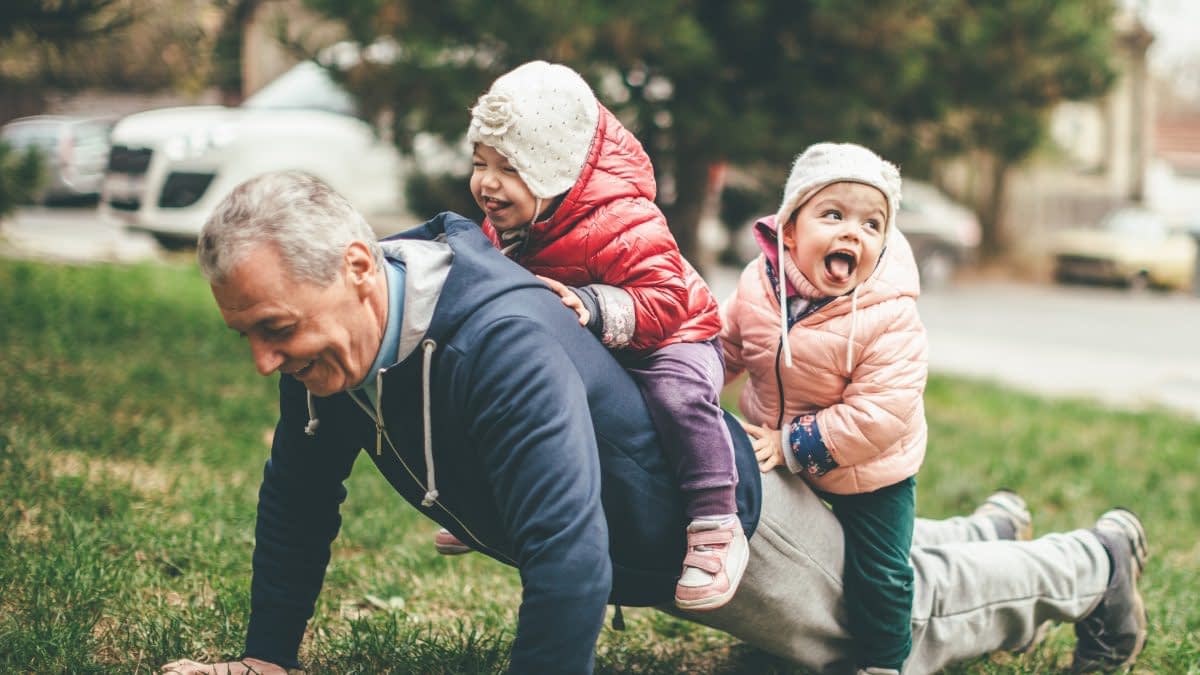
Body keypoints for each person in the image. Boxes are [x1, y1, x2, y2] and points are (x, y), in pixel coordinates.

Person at [162, 171, 1148, 675]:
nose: (265, 360)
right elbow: (297, 493)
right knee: (896, 568)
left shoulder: (495, 339)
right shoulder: (336, 341)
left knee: (914, 617)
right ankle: (977, 528)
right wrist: (265, 656)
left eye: (276, 330)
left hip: (728, 530)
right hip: (675, 525)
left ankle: (1096, 566)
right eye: (252, 334)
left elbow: (569, 560)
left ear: (359, 267)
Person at [456, 60, 744, 611]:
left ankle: (715, 520)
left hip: (674, 334)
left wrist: (589, 305)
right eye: (479, 162)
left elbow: (666, 300)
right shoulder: (512, 222)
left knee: (675, 396)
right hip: (595, 336)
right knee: (514, 388)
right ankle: (493, 499)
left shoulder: (625, 218)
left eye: (509, 169)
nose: (487, 183)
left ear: (555, 170)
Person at [721, 141, 923, 673]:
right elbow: (727, 345)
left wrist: (790, 446)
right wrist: (689, 381)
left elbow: (881, 413)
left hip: (870, 468)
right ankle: (784, 634)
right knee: (783, 551)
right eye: (833, 215)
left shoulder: (889, 314)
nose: (853, 232)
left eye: (872, 224)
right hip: (778, 443)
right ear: (789, 229)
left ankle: (884, 659)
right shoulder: (758, 287)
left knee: (880, 571)